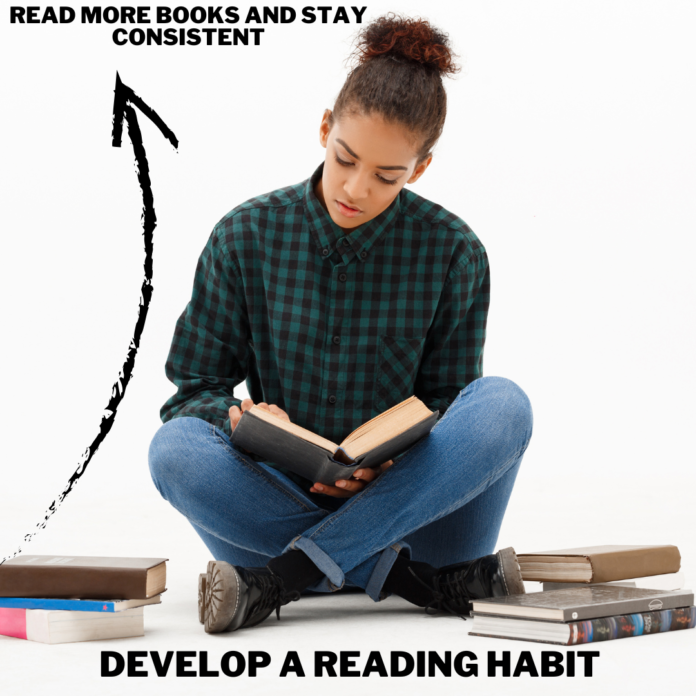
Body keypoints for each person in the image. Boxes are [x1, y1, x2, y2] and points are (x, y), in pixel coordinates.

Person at [148, 13, 533, 634]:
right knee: (174, 451)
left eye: (387, 176)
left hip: (412, 516)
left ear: (421, 168)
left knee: (503, 404)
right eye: (344, 159)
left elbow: (451, 408)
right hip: (269, 512)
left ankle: (290, 579)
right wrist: (242, 418)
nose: (356, 188)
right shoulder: (245, 235)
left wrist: (389, 469)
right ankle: (402, 581)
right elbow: (192, 391)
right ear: (325, 129)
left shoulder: (454, 250)